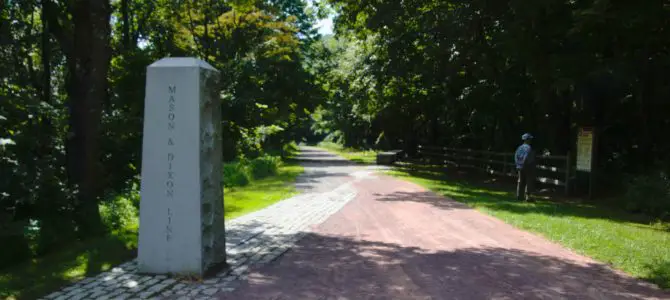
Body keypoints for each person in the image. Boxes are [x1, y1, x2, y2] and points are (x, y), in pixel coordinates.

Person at [514, 133, 536, 201]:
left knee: (520, 181)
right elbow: (529, 158)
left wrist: (517, 164)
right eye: (530, 139)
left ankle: (519, 196)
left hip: (519, 166)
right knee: (528, 181)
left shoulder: (519, 148)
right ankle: (528, 196)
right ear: (528, 140)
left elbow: (515, 156)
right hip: (527, 166)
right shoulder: (529, 148)